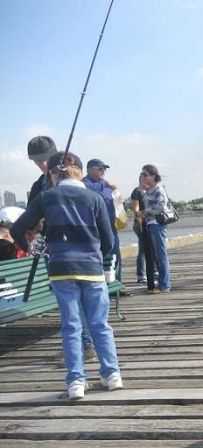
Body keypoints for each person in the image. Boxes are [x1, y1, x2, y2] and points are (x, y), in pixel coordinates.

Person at [10, 151, 123, 400]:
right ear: (80, 171)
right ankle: (112, 374)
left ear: (52, 173)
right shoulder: (93, 198)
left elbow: (17, 229)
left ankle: (76, 382)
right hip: (92, 270)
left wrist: (31, 249)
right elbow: (108, 239)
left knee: (71, 326)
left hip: (61, 270)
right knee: (99, 324)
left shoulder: (46, 197)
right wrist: (96, 256)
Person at [83, 159, 131, 297]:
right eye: (100, 169)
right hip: (95, 228)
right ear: (90, 170)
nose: (103, 171)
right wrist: (106, 184)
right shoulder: (86, 183)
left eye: (104, 169)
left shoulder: (105, 186)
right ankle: (101, 286)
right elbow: (86, 189)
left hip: (111, 226)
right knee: (100, 257)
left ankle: (116, 285)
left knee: (115, 256)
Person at [139, 164, 172, 293]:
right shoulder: (148, 190)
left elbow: (160, 207)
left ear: (153, 176)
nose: (143, 177)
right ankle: (162, 283)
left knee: (161, 255)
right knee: (157, 256)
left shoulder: (158, 190)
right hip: (151, 224)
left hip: (158, 224)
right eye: (142, 174)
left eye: (145, 175)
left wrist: (145, 212)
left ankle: (165, 285)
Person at [131, 173, 157, 291]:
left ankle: (154, 271)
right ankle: (141, 275)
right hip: (141, 224)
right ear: (140, 179)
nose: (146, 179)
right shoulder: (137, 191)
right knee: (143, 249)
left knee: (151, 248)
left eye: (148, 177)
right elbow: (135, 208)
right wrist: (140, 218)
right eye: (144, 177)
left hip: (150, 223)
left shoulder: (151, 191)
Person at [27, 136, 58, 204]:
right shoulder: (37, 187)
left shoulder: (73, 180)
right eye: (38, 160)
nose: (44, 164)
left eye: (48, 158)